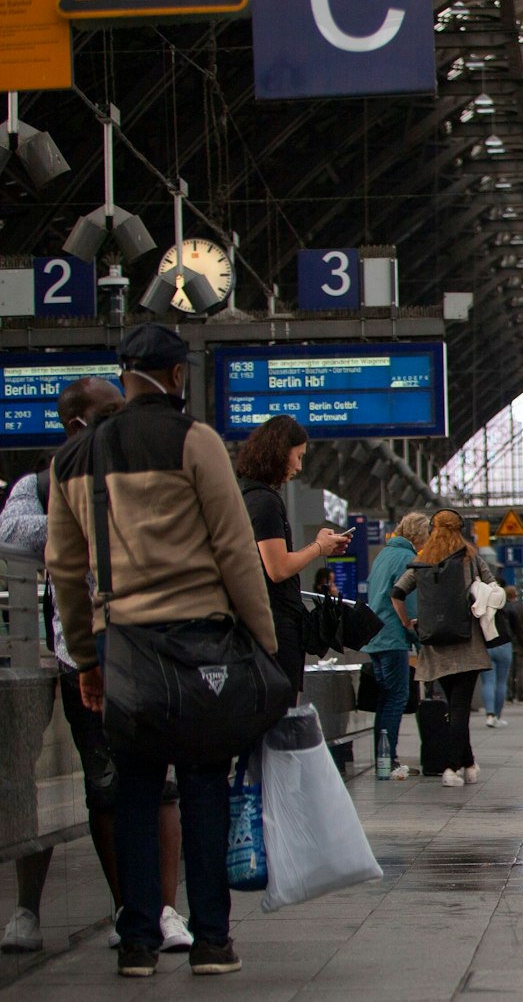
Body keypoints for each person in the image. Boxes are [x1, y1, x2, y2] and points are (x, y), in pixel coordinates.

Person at [45, 324, 277, 977]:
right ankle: (210, 940)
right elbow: (234, 548)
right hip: (199, 644)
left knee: (136, 790)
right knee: (202, 786)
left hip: (123, 647)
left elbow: (64, 568)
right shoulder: (195, 440)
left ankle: (140, 942)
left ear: (125, 376)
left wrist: (87, 662)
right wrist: (264, 638)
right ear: (178, 376)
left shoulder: (72, 459)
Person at [0, 378, 191, 956]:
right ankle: (115, 908)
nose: (121, 419)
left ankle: (161, 908)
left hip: (148, 646)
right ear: (76, 423)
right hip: (76, 653)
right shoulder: (38, 484)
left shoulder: (141, 467)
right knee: (100, 786)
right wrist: (85, 523)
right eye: (108, 411)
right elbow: (9, 533)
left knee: (160, 785)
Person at [235, 414, 350, 693]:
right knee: (281, 713)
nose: (298, 466)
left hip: (258, 622)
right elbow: (278, 569)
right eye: (297, 456)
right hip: (275, 627)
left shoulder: (246, 495)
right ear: (278, 452)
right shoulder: (264, 502)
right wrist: (319, 547)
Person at [390, 510, 494, 786]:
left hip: (435, 644)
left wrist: (408, 624)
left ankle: (469, 764)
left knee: (455, 705)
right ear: (460, 529)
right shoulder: (470, 558)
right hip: (467, 643)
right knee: (460, 708)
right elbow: (494, 588)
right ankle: (451, 768)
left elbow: (397, 593)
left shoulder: (422, 560)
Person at [362, 512, 427, 780]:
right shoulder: (406, 559)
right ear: (417, 534)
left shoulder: (384, 555)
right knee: (396, 698)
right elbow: (407, 603)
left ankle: (384, 760)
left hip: (376, 636)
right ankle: (388, 760)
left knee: (385, 700)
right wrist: (418, 637)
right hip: (392, 638)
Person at [480, 585, 520, 728]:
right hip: (504, 644)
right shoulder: (506, 606)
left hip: (486, 645)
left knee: (488, 681)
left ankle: (489, 715)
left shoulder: (480, 605)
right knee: (501, 682)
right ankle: (497, 715)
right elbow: (517, 627)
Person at [500, 586, 523, 703]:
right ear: (515, 595)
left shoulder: (502, 606)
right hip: (519, 641)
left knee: (509, 669)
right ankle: (520, 694)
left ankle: (509, 694)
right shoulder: (520, 607)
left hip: (507, 641)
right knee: (520, 669)